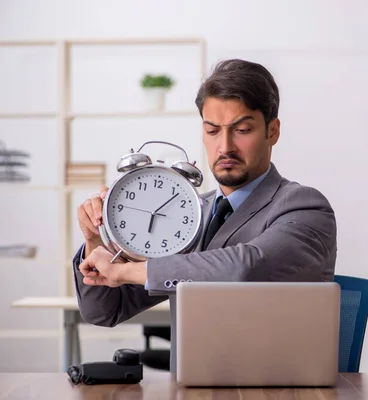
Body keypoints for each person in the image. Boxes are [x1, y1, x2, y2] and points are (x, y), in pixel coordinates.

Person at [72, 58, 338, 373]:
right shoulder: (193, 215)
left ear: (273, 131)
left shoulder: (304, 207)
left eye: (242, 130)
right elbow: (103, 311)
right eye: (213, 130)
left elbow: (247, 267)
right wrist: (95, 239)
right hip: (191, 390)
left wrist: (125, 272)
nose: (225, 146)